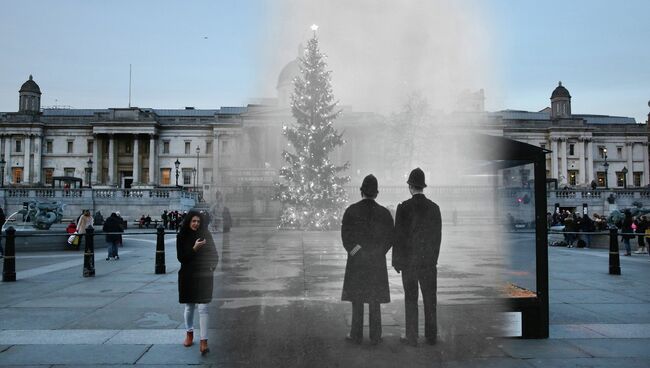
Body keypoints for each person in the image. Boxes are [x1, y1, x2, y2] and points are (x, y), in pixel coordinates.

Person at [341, 174, 394, 345]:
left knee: (357, 300)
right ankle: (375, 335)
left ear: (361, 191)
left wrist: (358, 252)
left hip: (357, 261)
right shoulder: (384, 213)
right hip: (376, 262)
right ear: (376, 193)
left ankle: (356, 334)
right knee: (374, 300)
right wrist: (377, 253)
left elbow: (346, 237)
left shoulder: (351, 210)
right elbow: (389, 239)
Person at [393, 168, 442, 346]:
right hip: (428, 263)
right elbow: (437, 238)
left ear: (411, 186)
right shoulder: (434, 208)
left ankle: (411, 336)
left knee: (411, 299)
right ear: (423, 186)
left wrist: (397, 262)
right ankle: (431, 335)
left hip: (409, 263)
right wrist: (433, 259)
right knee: (430, 299)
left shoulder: (404, 208)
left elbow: (398, 237)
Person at [177, 210, 219, 355]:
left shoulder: (206, 234)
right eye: (193, 221)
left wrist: (211, 268)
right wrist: (194, 248)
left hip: (204, 275)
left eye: (198, 221)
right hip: (188, 275)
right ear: (189, 221)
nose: (196, 224)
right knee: (189, 306)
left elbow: (214, 254)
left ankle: (204, 341)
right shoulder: (182, 236)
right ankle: (189, 333)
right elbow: (182, 258)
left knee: (203, 308)